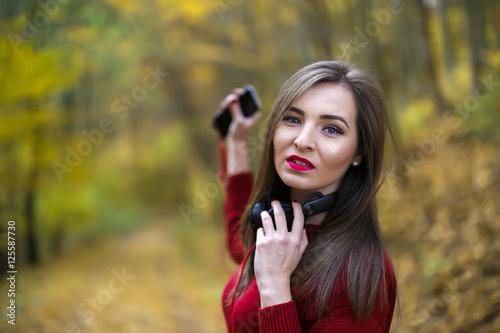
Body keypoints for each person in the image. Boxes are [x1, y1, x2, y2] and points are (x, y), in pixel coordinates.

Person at [216, 60, 397, 332]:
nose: (302, 140)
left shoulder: (356, 277)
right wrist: (237, 142)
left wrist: (275, 287)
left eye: (331, 129)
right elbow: (238, 239)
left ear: (359, 152)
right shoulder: (278, 229)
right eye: (293, 119)